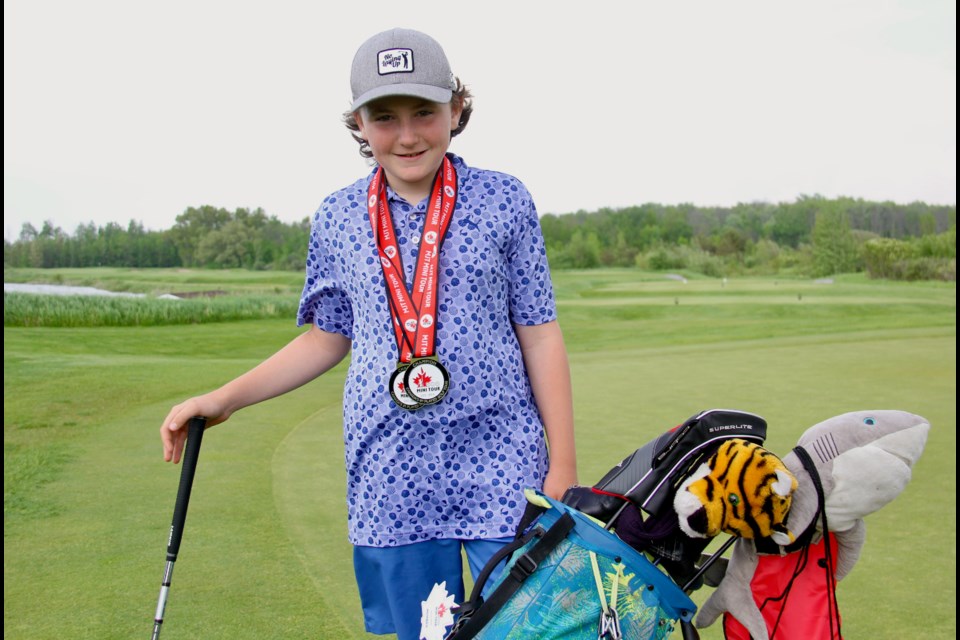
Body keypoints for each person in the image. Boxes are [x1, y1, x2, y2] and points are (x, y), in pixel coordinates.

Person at [160, 27, 577, 640]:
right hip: (390, 465)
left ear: (455, 110)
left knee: (524, 628)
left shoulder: (504, 200)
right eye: (385, 117)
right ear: (358, 122)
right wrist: (221, 399)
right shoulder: (337, 215)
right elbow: (325, 338)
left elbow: (540, 333)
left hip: (503, 457)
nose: (407, 134)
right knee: (420, 633)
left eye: (423, 113)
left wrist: (562, 464)